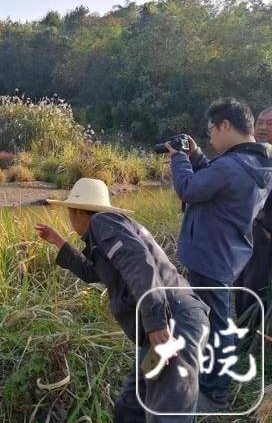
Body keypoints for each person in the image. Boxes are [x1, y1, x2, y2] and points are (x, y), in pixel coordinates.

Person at [36, 177, 210, 422]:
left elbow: (139, 264)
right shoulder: (103, 235)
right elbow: (92, 272)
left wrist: (156, 323)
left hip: (173, 326)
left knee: (167, 414)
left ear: (77, 211)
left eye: (68, 212)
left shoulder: (103, 222)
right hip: (163, 331)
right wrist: (59, 243)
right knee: (132, 405)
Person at [166, 97, 272, 411]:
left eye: (212, 129)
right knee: (216, 318)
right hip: (228, 254)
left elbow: (188, 188)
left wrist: (178, 158)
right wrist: (197, 154)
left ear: (226, 125)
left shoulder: (230, 166)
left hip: (210, 257)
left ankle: (215, 394)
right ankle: (207, 377)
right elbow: (213, 184)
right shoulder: (257, 163)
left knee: (218, 324)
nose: (210, 136)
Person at [235, 106, 272, 322]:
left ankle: (255, 334)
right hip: (247, 234)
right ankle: (246, 331)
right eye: (260, 122)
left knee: (257, 285)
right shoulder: (247, 156)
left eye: (270, 124)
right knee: (245, 285)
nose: (263, 128)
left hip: (265, 235)